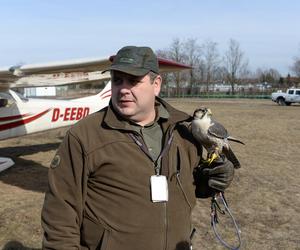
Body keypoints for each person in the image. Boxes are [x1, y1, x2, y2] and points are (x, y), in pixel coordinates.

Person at [41, 46, 234, 250]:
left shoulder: (183, 129)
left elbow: (190, 186)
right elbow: (59, 213)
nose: (123, 89)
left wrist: (210, 180)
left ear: (156, 84)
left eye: (133, 81)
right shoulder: (85, 135)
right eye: (117, 80)